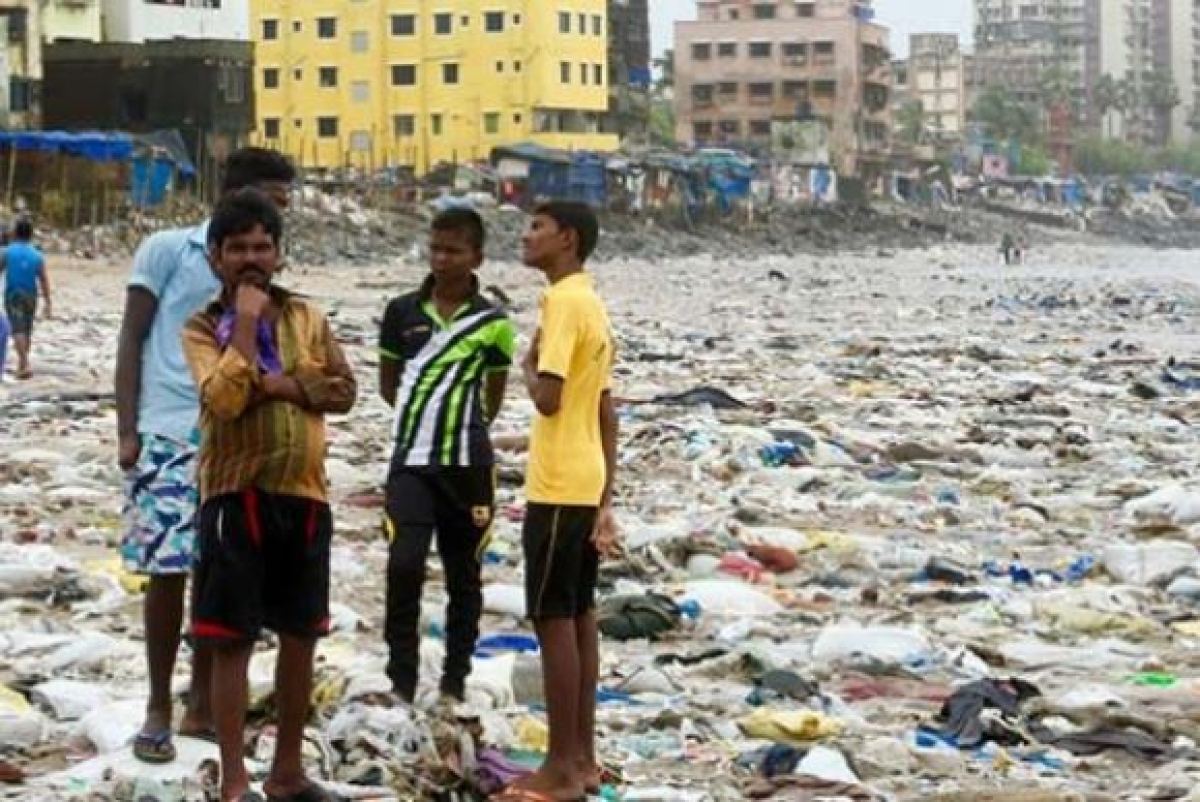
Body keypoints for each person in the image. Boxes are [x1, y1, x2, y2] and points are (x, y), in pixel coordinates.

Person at [114, 147, 295, 764]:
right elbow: (132, 336)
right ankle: (159, 705)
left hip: (234, 443)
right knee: (167, 575)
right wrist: (127, 431)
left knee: (222, 578)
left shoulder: (266, 280)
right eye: (275, 197)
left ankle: (200, 700)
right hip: (166, 433)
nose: (281, 214)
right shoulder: (167, 249)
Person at [182, 189, 355, 802]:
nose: (251, 258)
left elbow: (342, 388)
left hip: (306, 494)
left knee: (302, 634)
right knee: (232, 639)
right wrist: (248, 322)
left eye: (262, 247)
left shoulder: (307, 316)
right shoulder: (203, 326)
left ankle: (287, 771)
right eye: (237, 249)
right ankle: (234, 781)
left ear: (280, 254)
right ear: (215, 258)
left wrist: (279, 382)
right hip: (237, 496)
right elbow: (224, 398)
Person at [500, 201, 619, 801]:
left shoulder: (563, 302)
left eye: (537, 228)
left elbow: (549, 399)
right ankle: (585, 759)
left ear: (567, 239)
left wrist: (527, 367)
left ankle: (560, 768)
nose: (526, 236)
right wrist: (606, 497)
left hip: (556, 483)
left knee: (552, 620)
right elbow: (606, 408)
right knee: (578, 618)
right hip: (585, 478)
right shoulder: (593, 303)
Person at [378, 208, 516, 704]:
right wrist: (425, 421)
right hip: (411, 462)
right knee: (404, 565)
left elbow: (494, 396)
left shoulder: (493, 323)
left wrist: (460, 425)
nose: (441, 258)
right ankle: (402, 680)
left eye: (453, 250)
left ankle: (455, 680)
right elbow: (389, 385)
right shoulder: (401, 312)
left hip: (469, 468)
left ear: (476, 256)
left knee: (464, 575)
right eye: (435, 248)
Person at [1, 219, 51, 380]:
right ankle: (22, 364)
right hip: (31, 295)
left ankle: (24, 362)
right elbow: (43, 279)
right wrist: (48, 301)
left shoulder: (7, 252)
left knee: (17, 328)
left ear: (15, 233)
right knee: (27, 328)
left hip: (13, 294)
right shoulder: (37, 255)